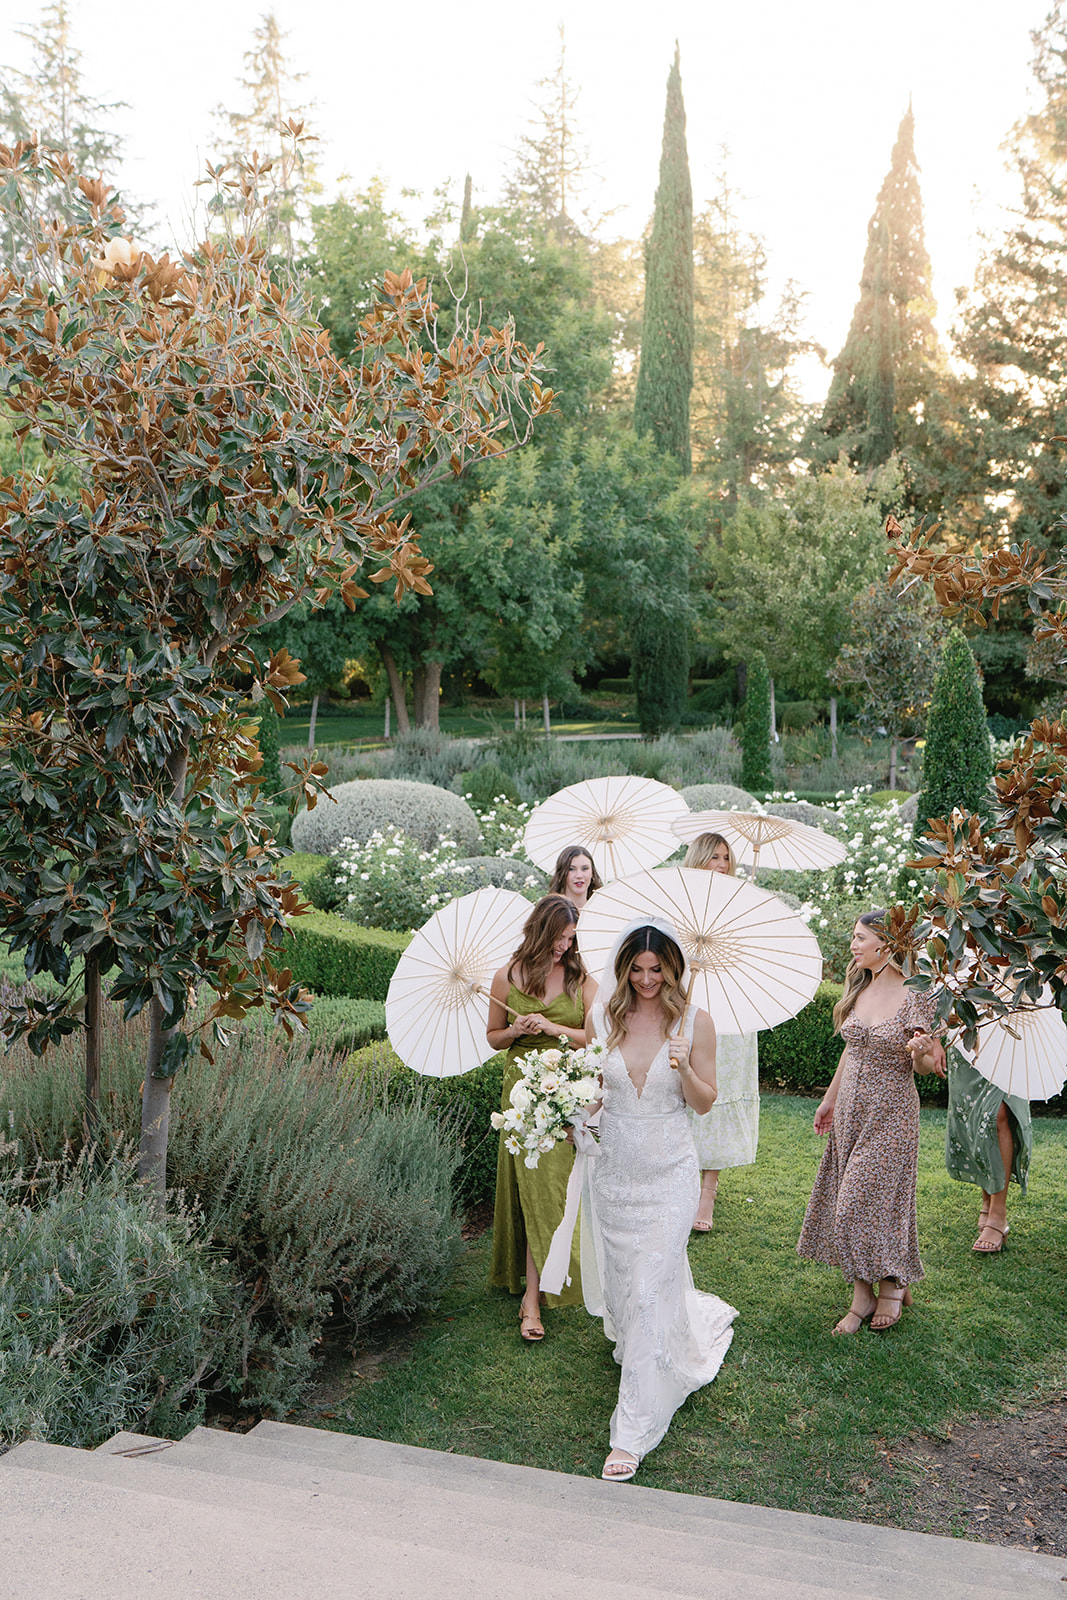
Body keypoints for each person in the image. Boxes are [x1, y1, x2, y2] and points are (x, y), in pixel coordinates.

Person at [583, 922, 737, 1481]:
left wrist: (686, 1067)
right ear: (624, 969)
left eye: (657, 970)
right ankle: (651, 1347)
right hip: (616, 1175)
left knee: (647, 1291)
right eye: (637, 970)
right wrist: (566, 1109)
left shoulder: (697, 1023)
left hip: (671, 1174)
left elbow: (704, 1103)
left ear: (674, 970)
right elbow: (595, 1092)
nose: (647, 981)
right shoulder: (604, 1018)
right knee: (630, 1291)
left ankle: (631, 1433)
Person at [796, 910, 944, 1334]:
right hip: (849, 1112)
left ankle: (887, 1288)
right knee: (866, 1202)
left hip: (891, 1113)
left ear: (884, 942)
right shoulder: (860, 986)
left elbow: (925, 1064)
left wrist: (918, 1051)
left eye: (860, 938)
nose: (853, 946)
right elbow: (851, 1051)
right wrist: (828, 1100)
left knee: (860, 1204)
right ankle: (874, 1286)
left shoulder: (917, 994)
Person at [487, 895, 598, 1341]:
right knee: (529, 1184)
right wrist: (515, 1030)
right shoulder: (506, 976)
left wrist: (555, 1030)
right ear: (539, 933)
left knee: (551, 1184)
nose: (563, 947)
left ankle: (546, 1280)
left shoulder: (581, 978)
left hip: (566, 1088)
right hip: (520, 1092)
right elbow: (494, 1038)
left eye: (570, 939)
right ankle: (532, 1298)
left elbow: (592, 1037)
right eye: (557, 939)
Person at [682, 832, 759, 1231]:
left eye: (726, 858)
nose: (722, 864)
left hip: (732, 1011)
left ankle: (707, 1193)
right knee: (685, 1090)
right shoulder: (682, 904)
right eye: (713, 857)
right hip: (692, 1005)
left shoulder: (740, 903)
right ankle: (682, 1179)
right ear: (698, 860)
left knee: (719, 1091)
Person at [945, 1039, 1031, 1253]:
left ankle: (998, 1215)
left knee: (997, 1114)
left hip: (1011, 1035)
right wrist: (936, 1040)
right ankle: (987, 1201)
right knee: (976, 1117)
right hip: (964, 1033)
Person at [548, 845, 602, 912]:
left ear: (593, 873)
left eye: (585, 868)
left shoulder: (601, 911)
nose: (579, 875)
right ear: (561, 873)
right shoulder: (550, 912)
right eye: (571, 869)